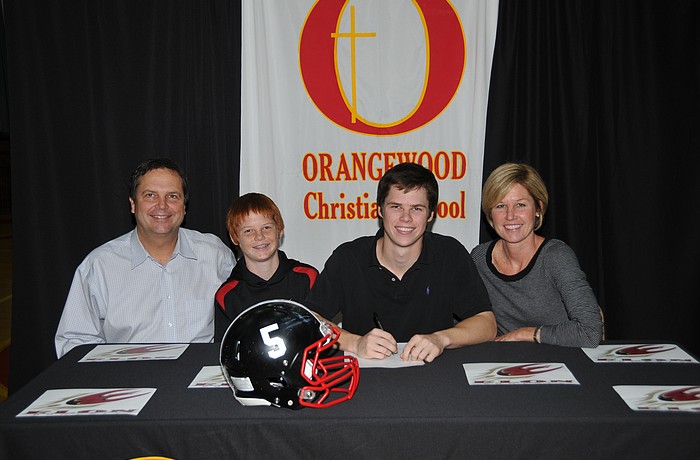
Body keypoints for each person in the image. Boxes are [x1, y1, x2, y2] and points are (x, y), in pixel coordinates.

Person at [307, 162, 496, 363]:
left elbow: (487, 324)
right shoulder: (348, 258)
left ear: (431, 215)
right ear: (380, 210)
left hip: (436, 375)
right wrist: (354, 343)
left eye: (417, 208)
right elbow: (308, 319)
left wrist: (441, 339)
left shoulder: (450, 254)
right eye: (396, 207)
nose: (406, 218)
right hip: (364, 377)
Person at [55, 158, 235, 358]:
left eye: (172, 196)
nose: (162, 205)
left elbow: (240, 319)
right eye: (150, 195)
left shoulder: (215, 255)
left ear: (184, 206)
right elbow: (74, 343)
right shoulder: (99, 266)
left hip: (200, 373)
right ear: (133, 204)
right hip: (127, 375)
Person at [471, 163, 602, 347]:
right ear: (490, 214)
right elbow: (464, 321)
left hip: (561, 359)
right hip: (503, 361)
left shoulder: (556, 257)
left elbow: (590, 332)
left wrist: (525, 334)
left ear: (538, 209)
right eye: (500, 206)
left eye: (520, 205)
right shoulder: (479, 258)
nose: (510, 216)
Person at [214, 193, 319, 341]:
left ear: (280, 230)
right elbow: (224, 349)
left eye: (266, 227)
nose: (259, 236)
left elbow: (325, 336)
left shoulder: (307, 278)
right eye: (248, 231)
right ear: (235, 238)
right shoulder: (227, 296)